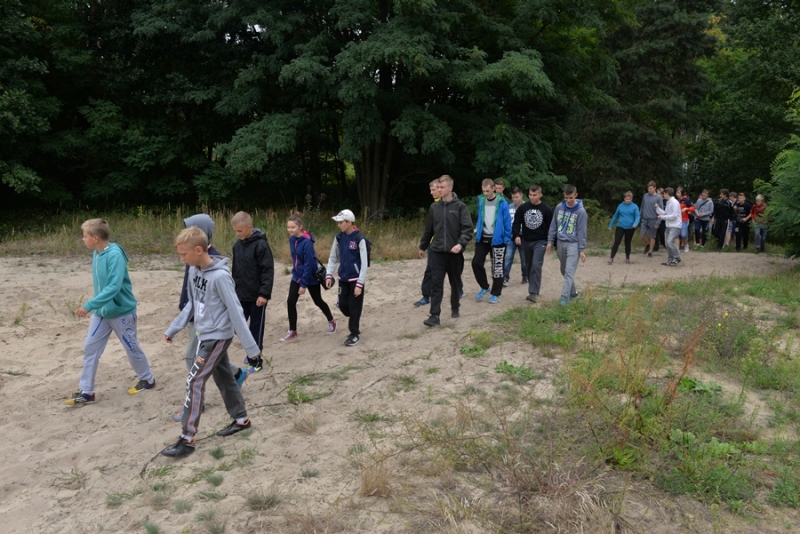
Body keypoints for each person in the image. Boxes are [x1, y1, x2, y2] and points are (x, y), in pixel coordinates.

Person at [162, 227, 259, 458]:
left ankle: (187, 439)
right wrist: (174, 328)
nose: (181, 259)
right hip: (204, 334)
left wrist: (251, 349)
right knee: (224, 376)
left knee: (194, 381)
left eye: (184, 254)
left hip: (217, 336)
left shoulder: (220, 277)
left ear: (198, 250)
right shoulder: (194, 271)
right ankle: (241, 420)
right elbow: (193, 304)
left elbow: (236, 311)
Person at [64, 218, 156, 405]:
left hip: (121, 312)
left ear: (95, 238)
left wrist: (89, 305)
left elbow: (114, 286)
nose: (83, 239)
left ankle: (147, 379)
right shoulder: (97, 253)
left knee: (131, 347)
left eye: (85, 236)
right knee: (90, 348)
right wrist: (97, 306)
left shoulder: (114, 255)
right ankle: (87, 392)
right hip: (101, 313)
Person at [172, 214, 246, 423]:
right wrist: (180, 317)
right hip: (197, 317)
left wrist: (251, 348)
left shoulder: (212, 262)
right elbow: (192, 291)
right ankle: (238, 385)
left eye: (190, 229)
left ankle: (195, 410)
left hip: (209, 325)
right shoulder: (192, 259)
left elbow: (232, 307)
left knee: (193, 363)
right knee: (219, 366)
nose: (182, 257)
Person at [419, 175, 473, 326]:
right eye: (438, 187)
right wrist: (423, 246)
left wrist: (460, 244)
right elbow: (429, 230)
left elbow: (467, 229)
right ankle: (434, 315)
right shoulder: (434, 208)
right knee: (436, 283)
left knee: (455, 283)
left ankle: (455, 306)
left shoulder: (460, 207)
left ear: (450, 188)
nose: (439, 190)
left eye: (442, 187)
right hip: (437, 252)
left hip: (454, 253)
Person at [280, 214, 336, 341]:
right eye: (288, 227)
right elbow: (295, 260)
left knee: (318, 301)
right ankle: (292, 331)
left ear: (300, 227)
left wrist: (303, 284)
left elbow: (309, 265)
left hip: (310, 277)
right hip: (296, 276)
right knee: (291, 302)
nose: (290, 230)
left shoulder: (307, 243)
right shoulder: (292, 240)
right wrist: (297, 276)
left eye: (293, 227)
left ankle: (331, 321)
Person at [231, 211, 273, 373]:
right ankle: (251, 352)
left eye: (240, 231)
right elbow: (235, 271)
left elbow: (267, 270)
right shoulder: (237, 246)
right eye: (235, 231)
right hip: (241, 294)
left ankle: (256, 360)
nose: (238, 234)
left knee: (256, 327)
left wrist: (264, 294)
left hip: (257, 297)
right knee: (237, 326)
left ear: (249, 227)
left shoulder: (261, 245)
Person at [325, 209, 368, 346]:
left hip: (355, 280)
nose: (339, 225)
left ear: (349, 222)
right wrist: (329, 274)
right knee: (343, 305)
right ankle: (355, 315)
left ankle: (354, 334)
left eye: (341, 222)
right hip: (343, 278)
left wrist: (360, 283)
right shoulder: (339, 238)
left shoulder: (359, 239)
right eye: (338, 222)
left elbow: (364, 263)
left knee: (354, 307)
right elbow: (333, 257)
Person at [546, 184, 588, 305]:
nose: (568, 200)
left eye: (571, 198)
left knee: (569, 271)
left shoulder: (581, 212)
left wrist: (581, 249)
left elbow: (582, 231)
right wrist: (550, 241)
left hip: (573, 243)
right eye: (566, 198)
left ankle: (564, 297)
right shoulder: (559, 207)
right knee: (563, 270)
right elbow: (553, 225)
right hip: (560, 242)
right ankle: (573, 291)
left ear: (576, 195)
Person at [472, 178, 512, 303]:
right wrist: (477, 232)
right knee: (476, 263)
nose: (485, 193)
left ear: (493, 188)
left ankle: (496, 294)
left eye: (488, 191)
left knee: (497, 268)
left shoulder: (502, 203)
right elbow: (480, 218)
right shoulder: (481, 201)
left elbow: (507, 222)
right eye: (483, 191)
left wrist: (506, 239)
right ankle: (485, 287)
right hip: (483, 238)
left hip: (498, 240)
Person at [512, 184, 553, 303]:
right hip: (526, 241)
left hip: (541, 241)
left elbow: (551, 226)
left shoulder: (546, 209)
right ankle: (534, 289)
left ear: (540, 195)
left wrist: (550, 241)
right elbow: (516, 223)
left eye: (535, 195)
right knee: (529, 266)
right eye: (530, 195)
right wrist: (516, 235)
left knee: (536, 264)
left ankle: (533, 292)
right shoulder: (523, 208)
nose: (532, 197)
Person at [503, 187, 528, 286]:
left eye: (517, 197)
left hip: (523, 236)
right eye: (513, 197)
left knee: (524, 258)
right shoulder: (509, 207)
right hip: (511, 236)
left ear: (521, 195)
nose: (515, 199)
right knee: (508, 257)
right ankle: (505, 277)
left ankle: (525, 275)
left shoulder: (527, 206)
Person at [608, 191, 640, 264]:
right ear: (624, 198)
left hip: (630, 227)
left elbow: (637, 216)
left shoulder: (634, 206)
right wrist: (611, 225)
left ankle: (627, 258)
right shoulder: (620, 206)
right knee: (617, 241)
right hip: (620, 226)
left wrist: (635, 223)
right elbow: (616, 215)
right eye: (626, 199)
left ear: (631, 199)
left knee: (627, 243)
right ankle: (611, 257)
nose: (628, 200)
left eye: (629, 199)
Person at [656, 187, 682, 266]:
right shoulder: (668, 202)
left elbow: (674, 216)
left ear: (667, 194)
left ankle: (677, 257)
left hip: (675, 225)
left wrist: (663, 217)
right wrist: (657, 208)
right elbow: (666, 213)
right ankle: (670, 259)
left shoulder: (674, 202)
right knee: (667, 243)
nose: (663, 195)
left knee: (670, 241)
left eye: (664, 193)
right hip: (669, 225)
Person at [639, 181, 661, 258]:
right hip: (645, 219)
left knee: (652, 236)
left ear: (655, 188)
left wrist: (658, 222)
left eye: (651, 188)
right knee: (642, 235)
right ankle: (648, 245)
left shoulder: (658, 197)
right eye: (648, 188)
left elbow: (661, 211)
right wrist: (639, 216)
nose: (649, 190)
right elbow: (642, 207)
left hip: (653, 219)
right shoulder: (645, 196)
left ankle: (650, 252)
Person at [676, 187, 695, 253]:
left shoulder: (686, 200)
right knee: (677, 234)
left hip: (684, 219)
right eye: (676, 192)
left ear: (682, 193)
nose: (677, 194)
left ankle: (686, 245)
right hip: (677, 220)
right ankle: (677, 248)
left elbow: (693, 208)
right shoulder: (676, 200)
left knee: (683, 234)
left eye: (678, 192)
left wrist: (686, 209)